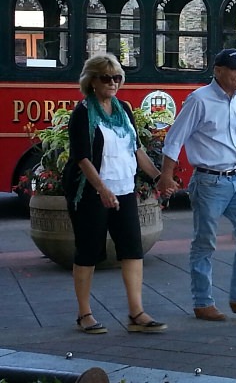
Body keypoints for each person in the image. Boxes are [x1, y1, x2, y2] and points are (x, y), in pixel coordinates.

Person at [158, 49, 236, 322]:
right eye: (235, 69)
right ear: (217, 70)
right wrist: (166, 176)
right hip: (208, 181)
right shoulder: (199, 100)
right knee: (205, 242)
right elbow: (174, 139)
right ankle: (202, 302)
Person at [64, 53, 167, 334]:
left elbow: (136, 149)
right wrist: (102, 189)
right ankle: (84, 314)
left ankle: (137, 313)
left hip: (124, 189)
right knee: (88, 251)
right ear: (92, 82)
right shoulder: (83, 113)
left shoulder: (124, 110)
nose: (113, 83)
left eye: (117, 77)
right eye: (106, 78)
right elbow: (82, 158)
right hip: (92, 192)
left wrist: (158, 177)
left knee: (132, 250)